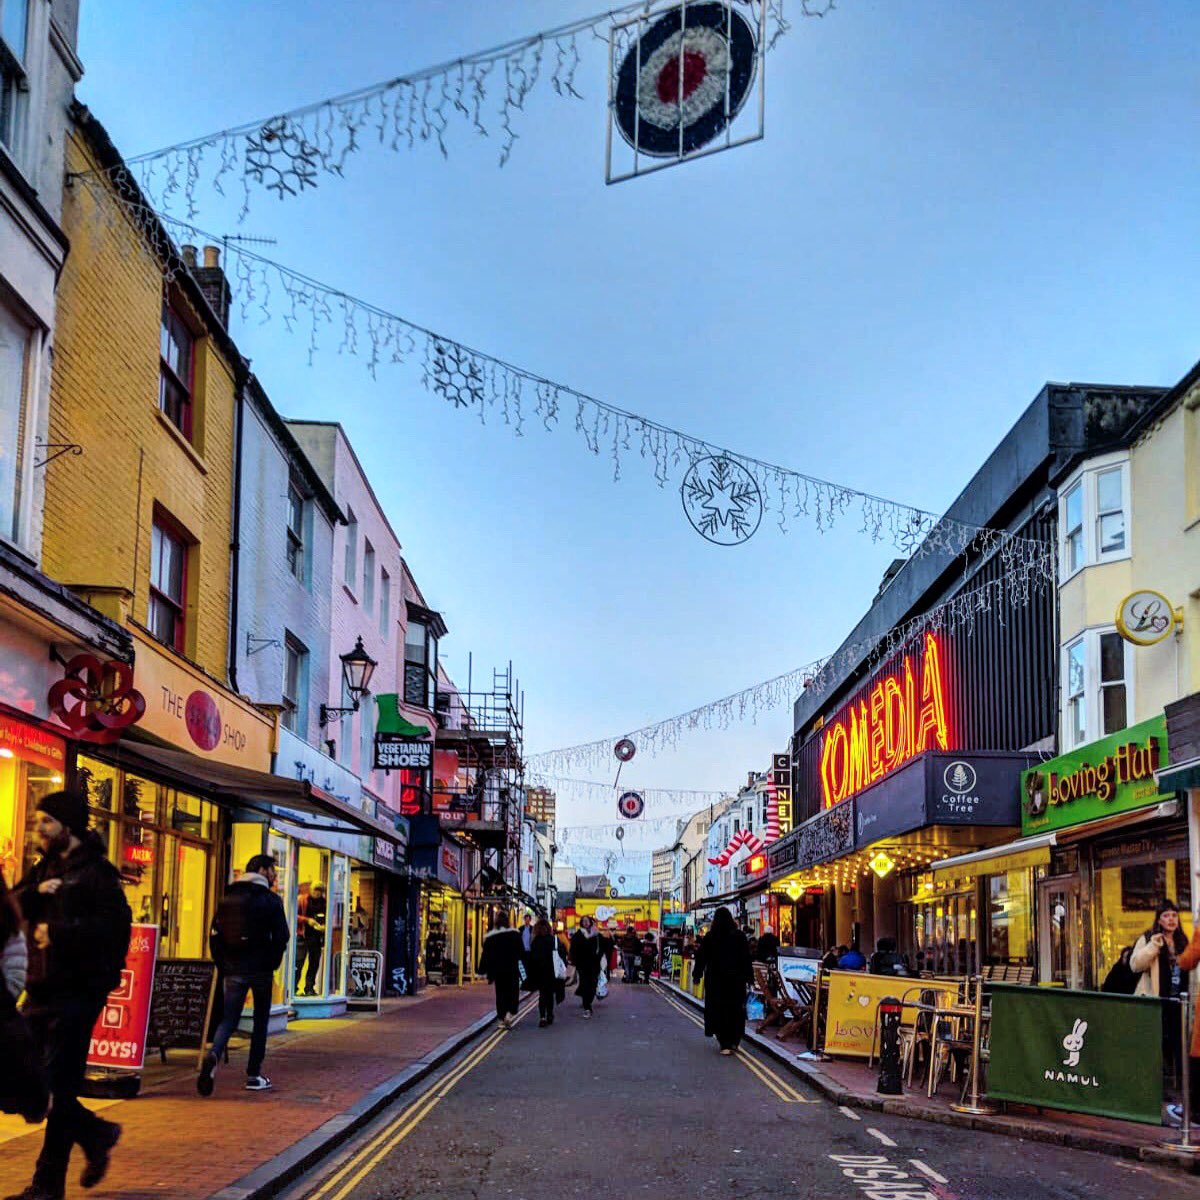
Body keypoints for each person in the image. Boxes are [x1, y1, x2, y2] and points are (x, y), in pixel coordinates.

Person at [12, 791, 131, 1200]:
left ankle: (48, 1185)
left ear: (68, 826)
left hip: (78, 993)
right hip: (40, 988)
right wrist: (36, 893)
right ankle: (97, 1133)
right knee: (30, 1079)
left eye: (46, 821)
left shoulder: (98, 873)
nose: (39, 829)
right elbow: (10, 907)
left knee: (56, 1084)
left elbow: (115, 933)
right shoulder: (44, 866)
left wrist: (60, 932)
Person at [198, 855, 291, 1096]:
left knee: (228, 1019)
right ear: (262, 870)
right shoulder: (271, 900)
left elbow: (214, 935)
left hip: (234, 970)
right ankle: (253, 1075)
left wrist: (224, 964)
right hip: (261, 970)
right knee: (260, 1022)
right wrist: (272, 961)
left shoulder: (227, 898)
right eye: (272, 870)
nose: (275, 875)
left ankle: (214, 1053)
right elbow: (282, 936)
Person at [1132, 900, 1190, 1108]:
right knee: (1155, 1048)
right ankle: (1155, 1091)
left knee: (1179, 1047)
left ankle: (1179, 1091)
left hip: (1179, 1003)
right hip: (1156, 1002)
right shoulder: (1149, 938)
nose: (1171, 919)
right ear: (1159, 919)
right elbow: (1135, 964)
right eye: (1166, 915)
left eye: (1174, 915)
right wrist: (1153, 946)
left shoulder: (1183, 941)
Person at [693, 907, 753, 1055]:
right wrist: (749, 978)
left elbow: (701, 958)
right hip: (735, 980)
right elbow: (746, 959)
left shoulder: (710, 937)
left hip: (715, 980)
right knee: (735, 1010)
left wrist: (697, 975)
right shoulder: (739, 936)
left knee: (718, 1010)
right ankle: (734, 1040)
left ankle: (724, 1042)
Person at [477, 912, 524, 1029]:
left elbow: (485, 955)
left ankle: (503, 1017)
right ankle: (510, 1013)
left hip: (498, 971)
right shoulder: (515, 934)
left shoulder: (491, 937)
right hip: (512, 969)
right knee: (513, 992)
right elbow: (521, 952)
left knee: (501, 994)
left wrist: (482, 971)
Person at [294, 883, 326, 996]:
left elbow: (330, 917)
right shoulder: (302, 900)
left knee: (314, 964)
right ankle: (294, 988)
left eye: (319, 891)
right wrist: (307, 920)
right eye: (315, 890)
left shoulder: (325, 902)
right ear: (311, 890)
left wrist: (325, 927)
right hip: (302, 936)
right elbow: (293, 915)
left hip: (317, 938)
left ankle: (309, 988)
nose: (317, 893)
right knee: (298, 963)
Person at [528, 918, 559, 1028]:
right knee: (550, 994)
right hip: (551, 971)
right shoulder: (553, 940)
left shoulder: (535, 941)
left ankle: (542, 1017)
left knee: (542, 995)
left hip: (539, 971)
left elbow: (532, 958)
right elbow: (560, 954)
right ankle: (550, 1014)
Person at [569, 916, 602, 1018]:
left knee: (593, 985)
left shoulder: (596, 934)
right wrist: (575, 961)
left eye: (587, 921)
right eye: (584, 921)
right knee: (584, 984)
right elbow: (573, 949)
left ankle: (589, 1001)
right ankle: (587, 1006)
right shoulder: (577, 935)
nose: (586, 923)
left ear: (591, 923)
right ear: (581, 923)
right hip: (582, 965)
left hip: (594, 964)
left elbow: (602, 947)